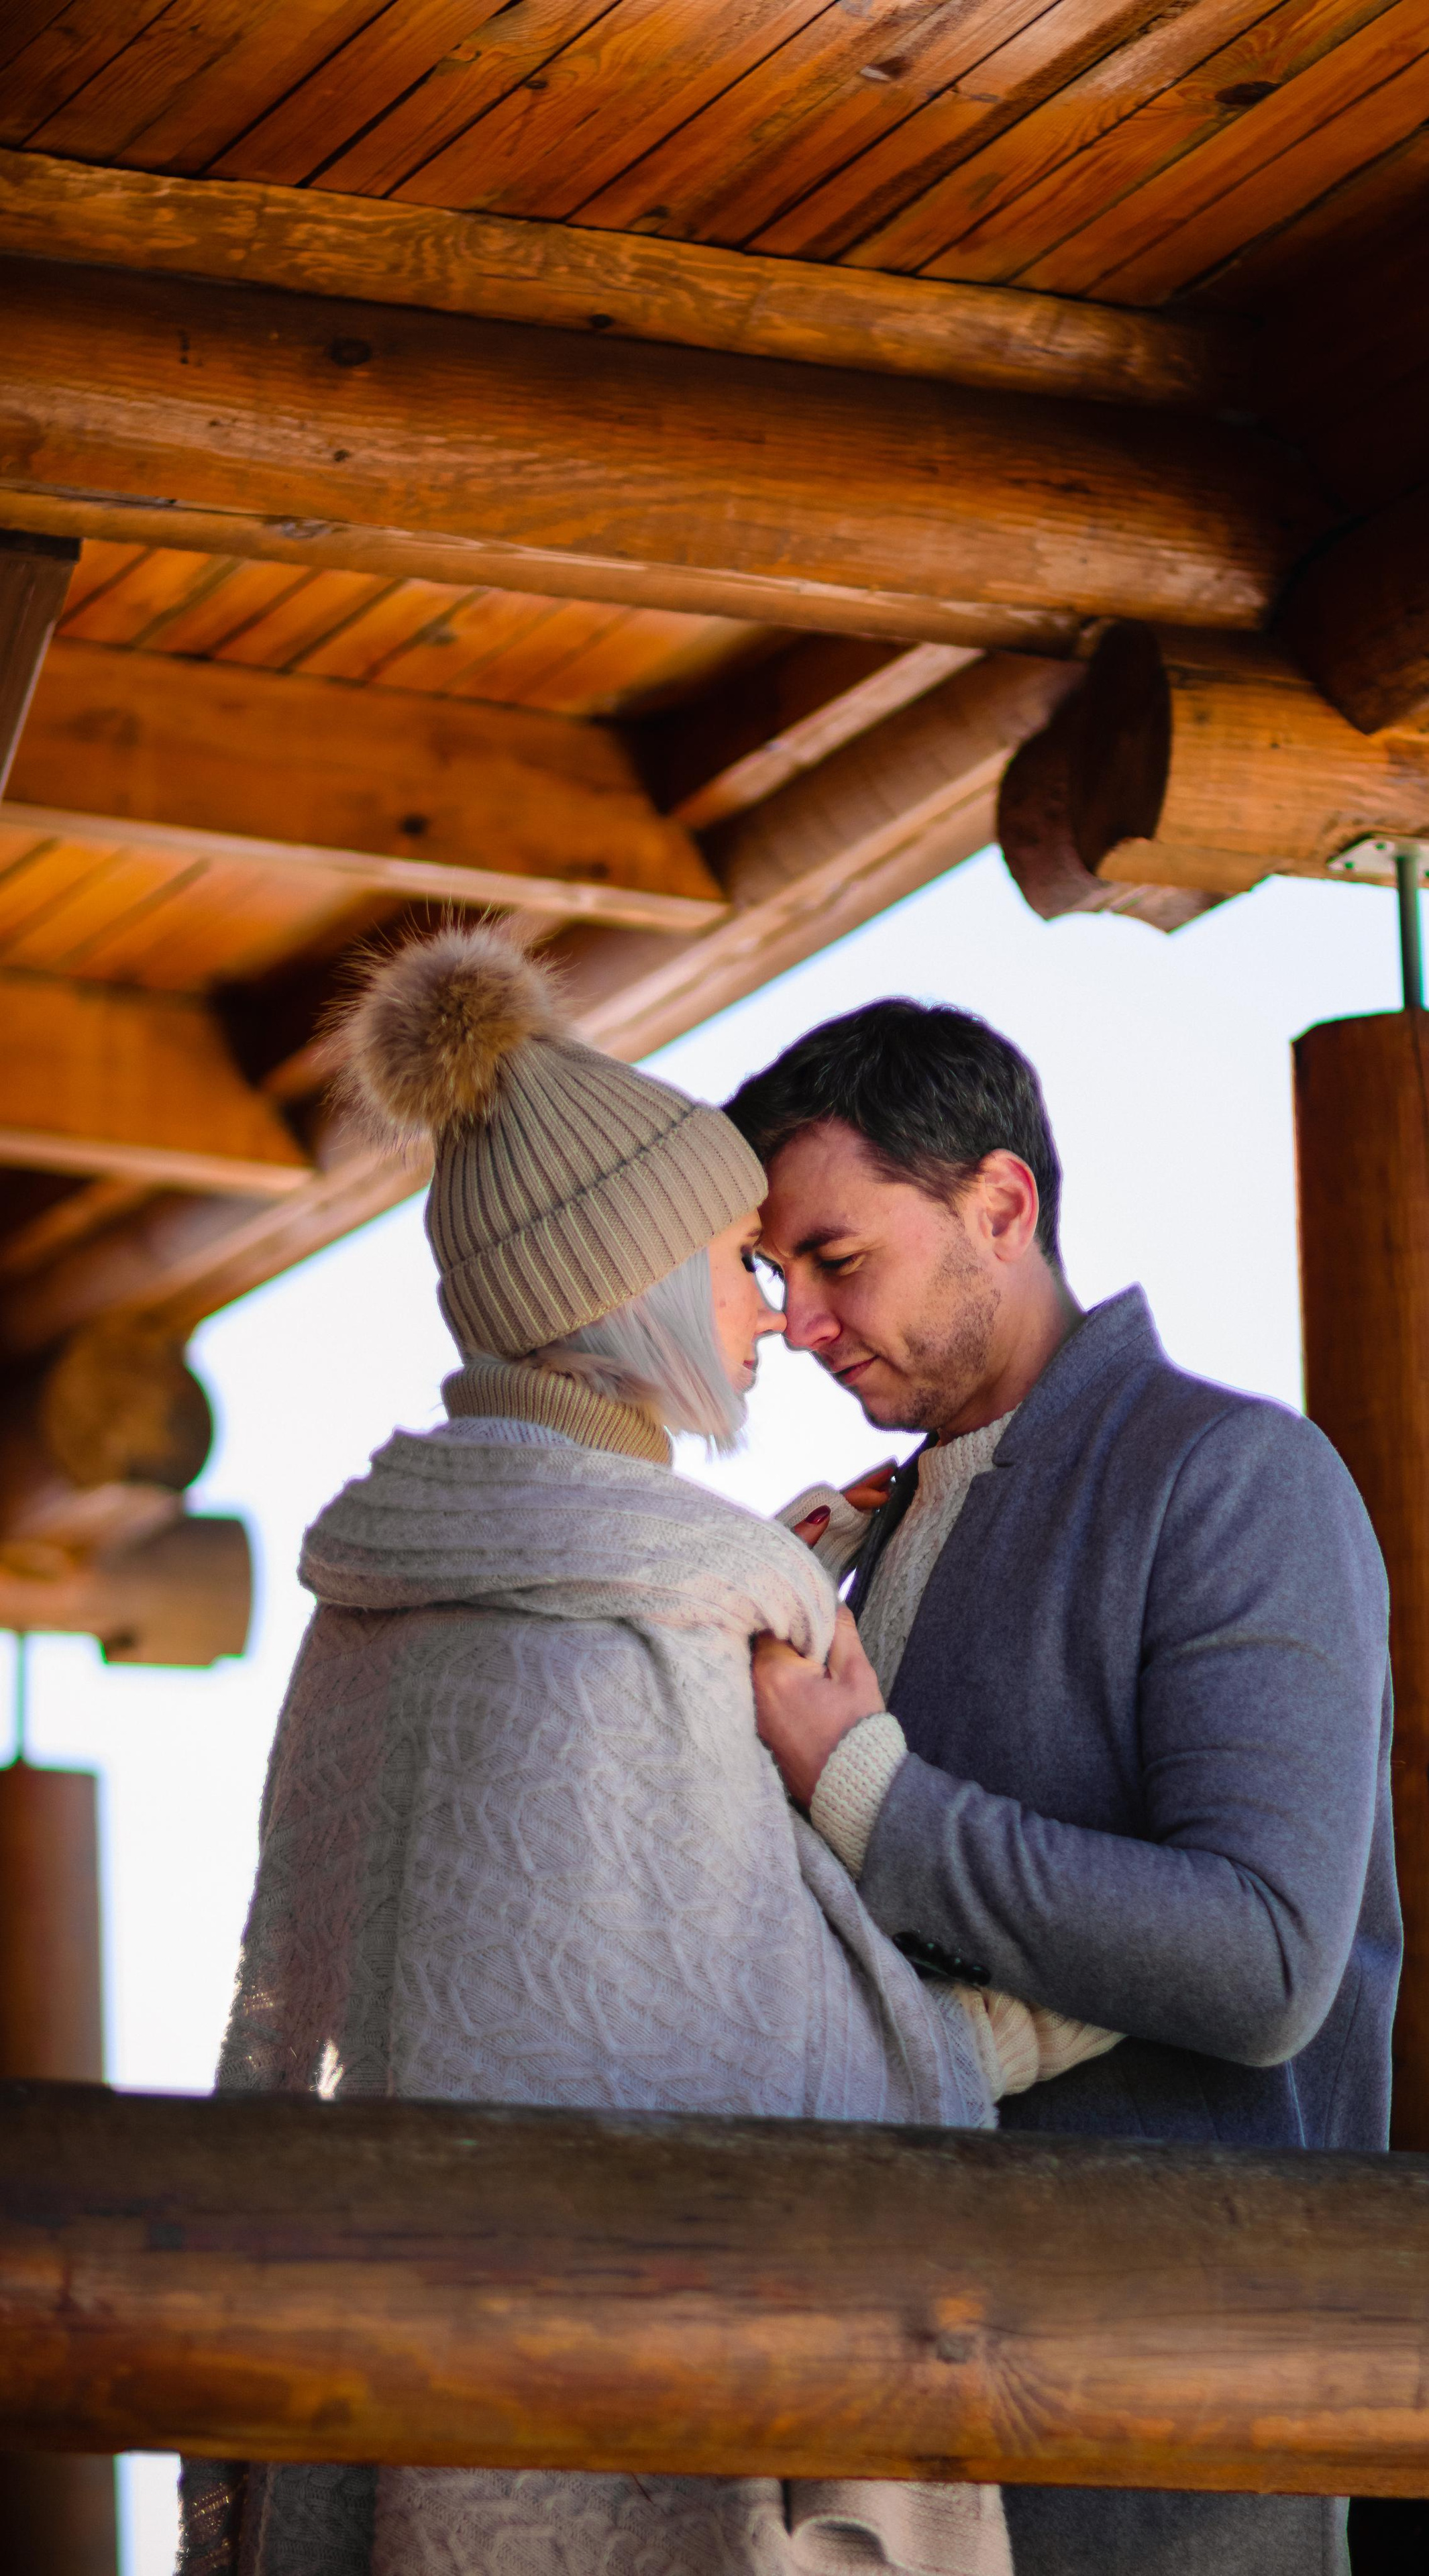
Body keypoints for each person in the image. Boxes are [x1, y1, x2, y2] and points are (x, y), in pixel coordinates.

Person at [178, 932, 1016, 2576]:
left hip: (402, 2357)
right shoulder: (663, 1603)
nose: (770, 1313)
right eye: (732, 1260)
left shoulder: (397, 1578)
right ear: (626, 1288)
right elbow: (748, 2035)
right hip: (632, 2412)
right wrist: (1008, 2027)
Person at [731, 1000, 1401, 2576]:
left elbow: (1261, 1962)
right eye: (773, 1276)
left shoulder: (1233, 1477)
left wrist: (864, 1794)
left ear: (999, 1204)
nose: (800, 1322)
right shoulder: (865, 1530)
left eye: (836, 1259)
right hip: (880, 2439)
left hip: (1164, 2463)